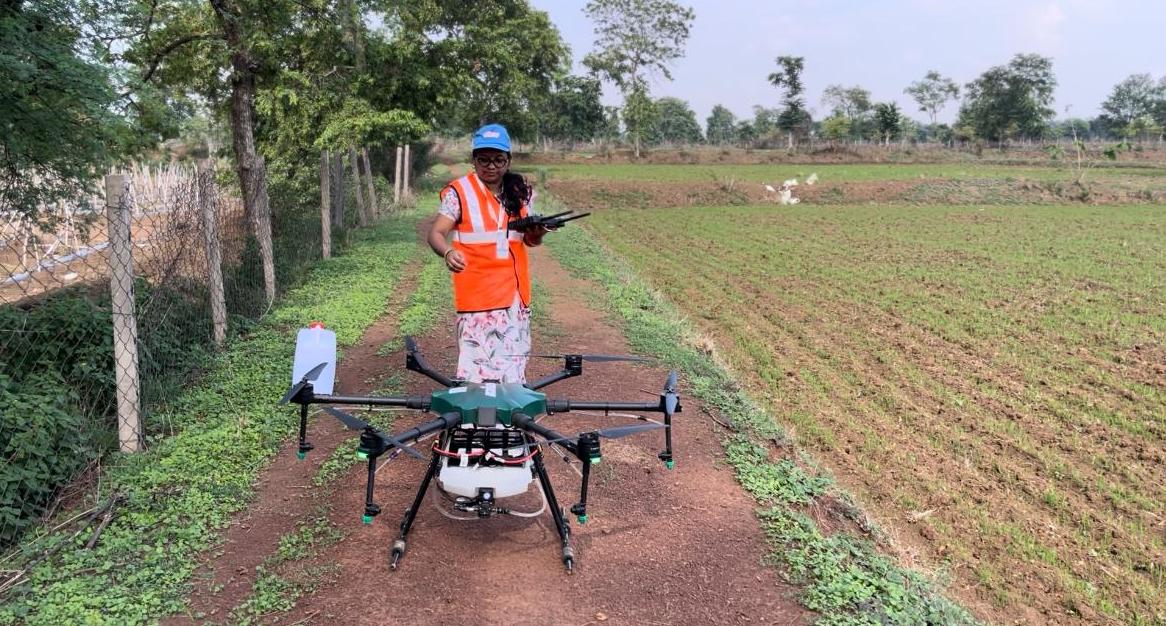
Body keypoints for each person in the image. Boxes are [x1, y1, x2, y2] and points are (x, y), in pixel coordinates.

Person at [426, 124, 549, 384]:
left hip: (514, 297)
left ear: (508, 161)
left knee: (512, 366)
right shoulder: (459, 193)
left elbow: (530, 241)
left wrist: (538, 232)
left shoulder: (520, 191)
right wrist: (448, 253)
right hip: (478, 297)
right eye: (484, 160)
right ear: (474, 160)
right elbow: (436, 234)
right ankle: (475, 425)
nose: (491, 166)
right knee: (477, 369)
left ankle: (507, 423)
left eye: (498, 160)